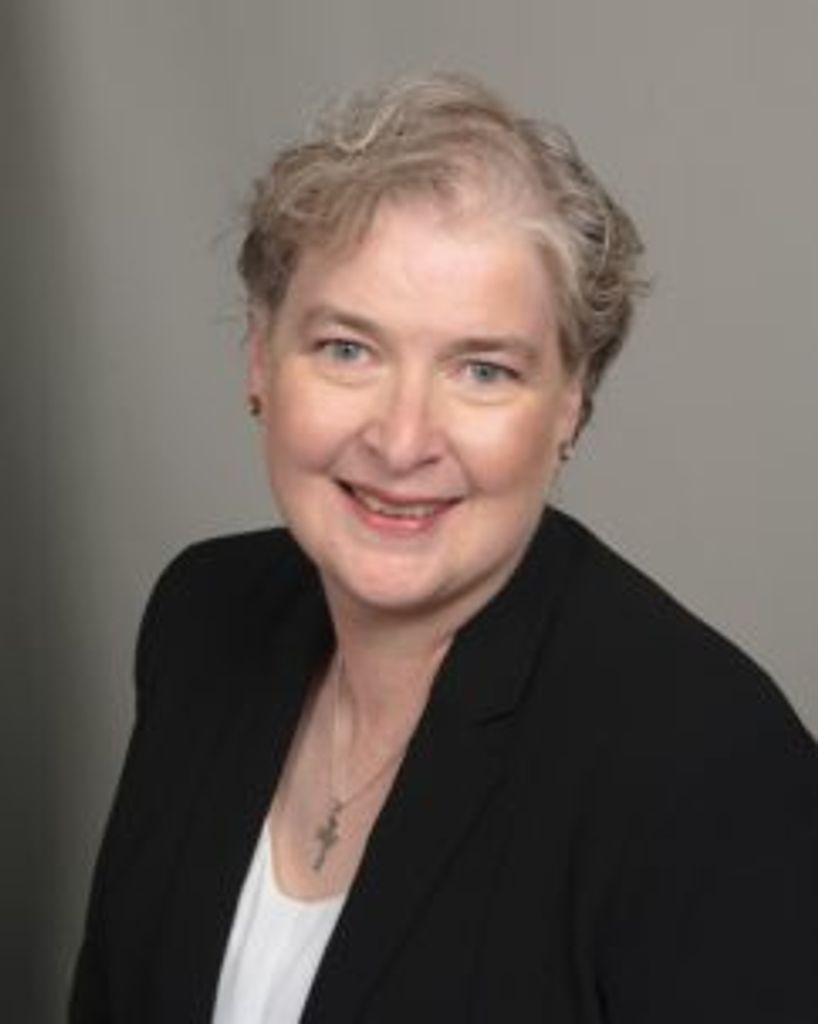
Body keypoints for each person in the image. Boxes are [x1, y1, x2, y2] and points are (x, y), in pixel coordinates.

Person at [70, 73, 818, 1023]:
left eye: (482, 370)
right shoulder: (201, 618)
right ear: (261, 359)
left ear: (570, 405)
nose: (402, 439)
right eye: (348, 349)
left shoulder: (708, 769)